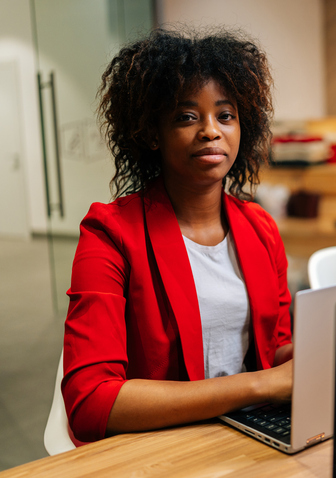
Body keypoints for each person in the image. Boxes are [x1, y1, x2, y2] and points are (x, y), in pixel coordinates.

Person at [62, 28, 293, 443]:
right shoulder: (110, 234)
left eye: (226, 115)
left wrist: (332, 348)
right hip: (161, 447)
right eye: (187, 117)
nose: (211, 131)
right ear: (152, 133)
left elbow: (274, 347)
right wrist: (261, 385)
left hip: (252, 436)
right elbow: (91, 401)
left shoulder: (260, 229)